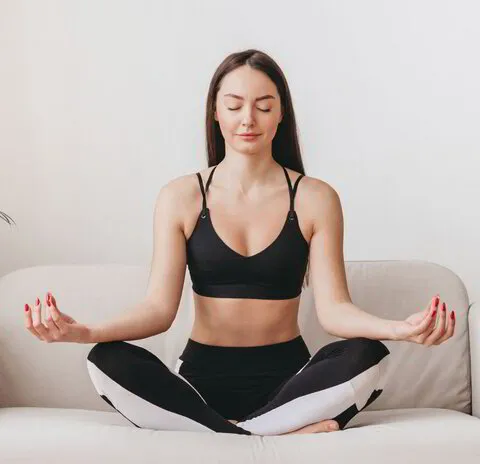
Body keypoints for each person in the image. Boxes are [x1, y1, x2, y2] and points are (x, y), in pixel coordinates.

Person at [24, 49, 456, 436]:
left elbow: (334, 311)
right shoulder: (181, 196)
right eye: (234, 106)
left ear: (281, 114)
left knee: (369, 355)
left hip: (289, 382)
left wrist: (399, 329)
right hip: (199, 381)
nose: (248, 119)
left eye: (263, 106)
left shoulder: (315, 198)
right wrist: (85, 332)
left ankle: (222, 434)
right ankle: (267, 432)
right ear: (216, 112)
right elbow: (158, 311)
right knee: (106, 360)